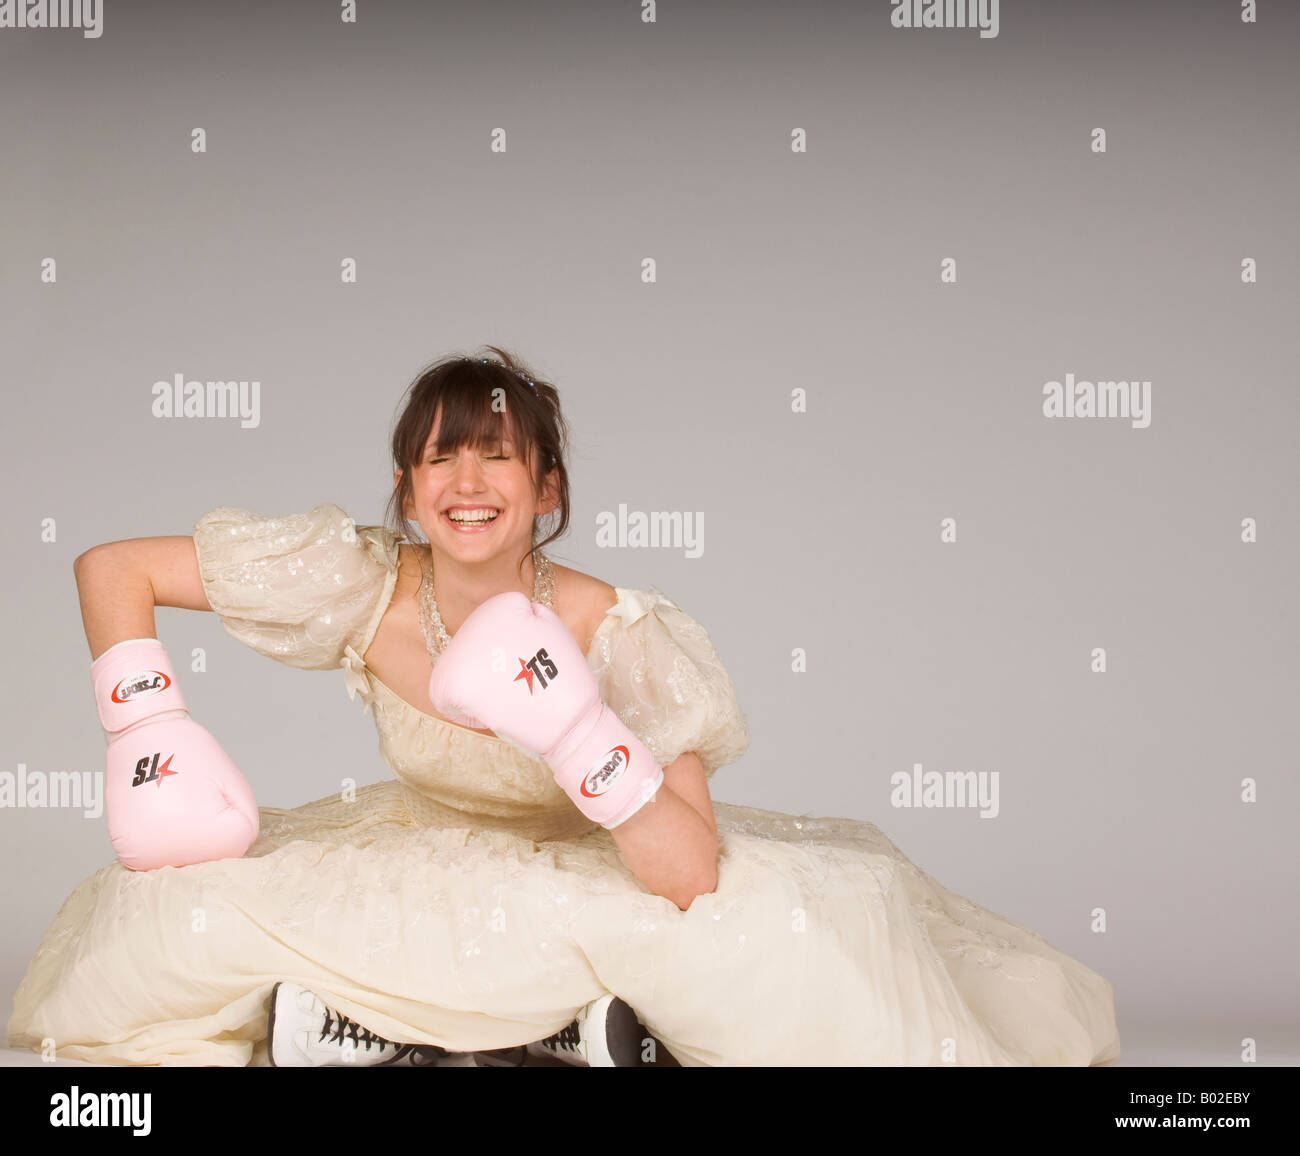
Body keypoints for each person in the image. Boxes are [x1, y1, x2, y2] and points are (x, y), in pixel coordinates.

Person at [6, 347, 1121, 1067]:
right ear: (407, 489)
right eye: (440, 457)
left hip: (587, 862)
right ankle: (406, 1036)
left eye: (499, 454)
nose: (467, 479)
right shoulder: (360, 577)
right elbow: (112, 567)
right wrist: (145, 725)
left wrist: (580, 731)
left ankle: (547, 1040)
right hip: (418, 846)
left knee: (760, 944)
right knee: (171, 910)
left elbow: (686, 866)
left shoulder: (617, 629)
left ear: (548, 491)